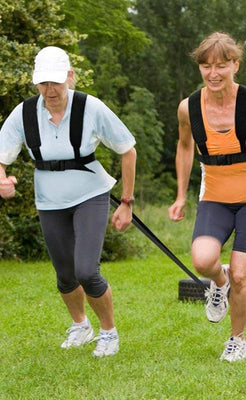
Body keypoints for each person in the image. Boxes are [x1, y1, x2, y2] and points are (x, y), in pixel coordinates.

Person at [0, 46, 137, 358]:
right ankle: (81, 326)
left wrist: (126, 201)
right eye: (43, 83)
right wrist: (3, 179)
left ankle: (108, 332)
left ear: (70, 78)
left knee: (87, 270)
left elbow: (128, 150)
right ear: (36, 83)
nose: (50, 90)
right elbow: (1, 157)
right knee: (64, 274)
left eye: (56, 82)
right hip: (49, 200)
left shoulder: (91, 107)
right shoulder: (23, 114)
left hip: (90, 194)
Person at [168, 32, 246, 362]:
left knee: (242, 273)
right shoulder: (188, 108)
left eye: (221, 66)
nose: (213, 73)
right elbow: (184, 148)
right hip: (214, 196)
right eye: (206, 66)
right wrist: (181, 195)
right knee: (202, 260)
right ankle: (218, 283)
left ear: (235, 65)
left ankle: (237, 340)